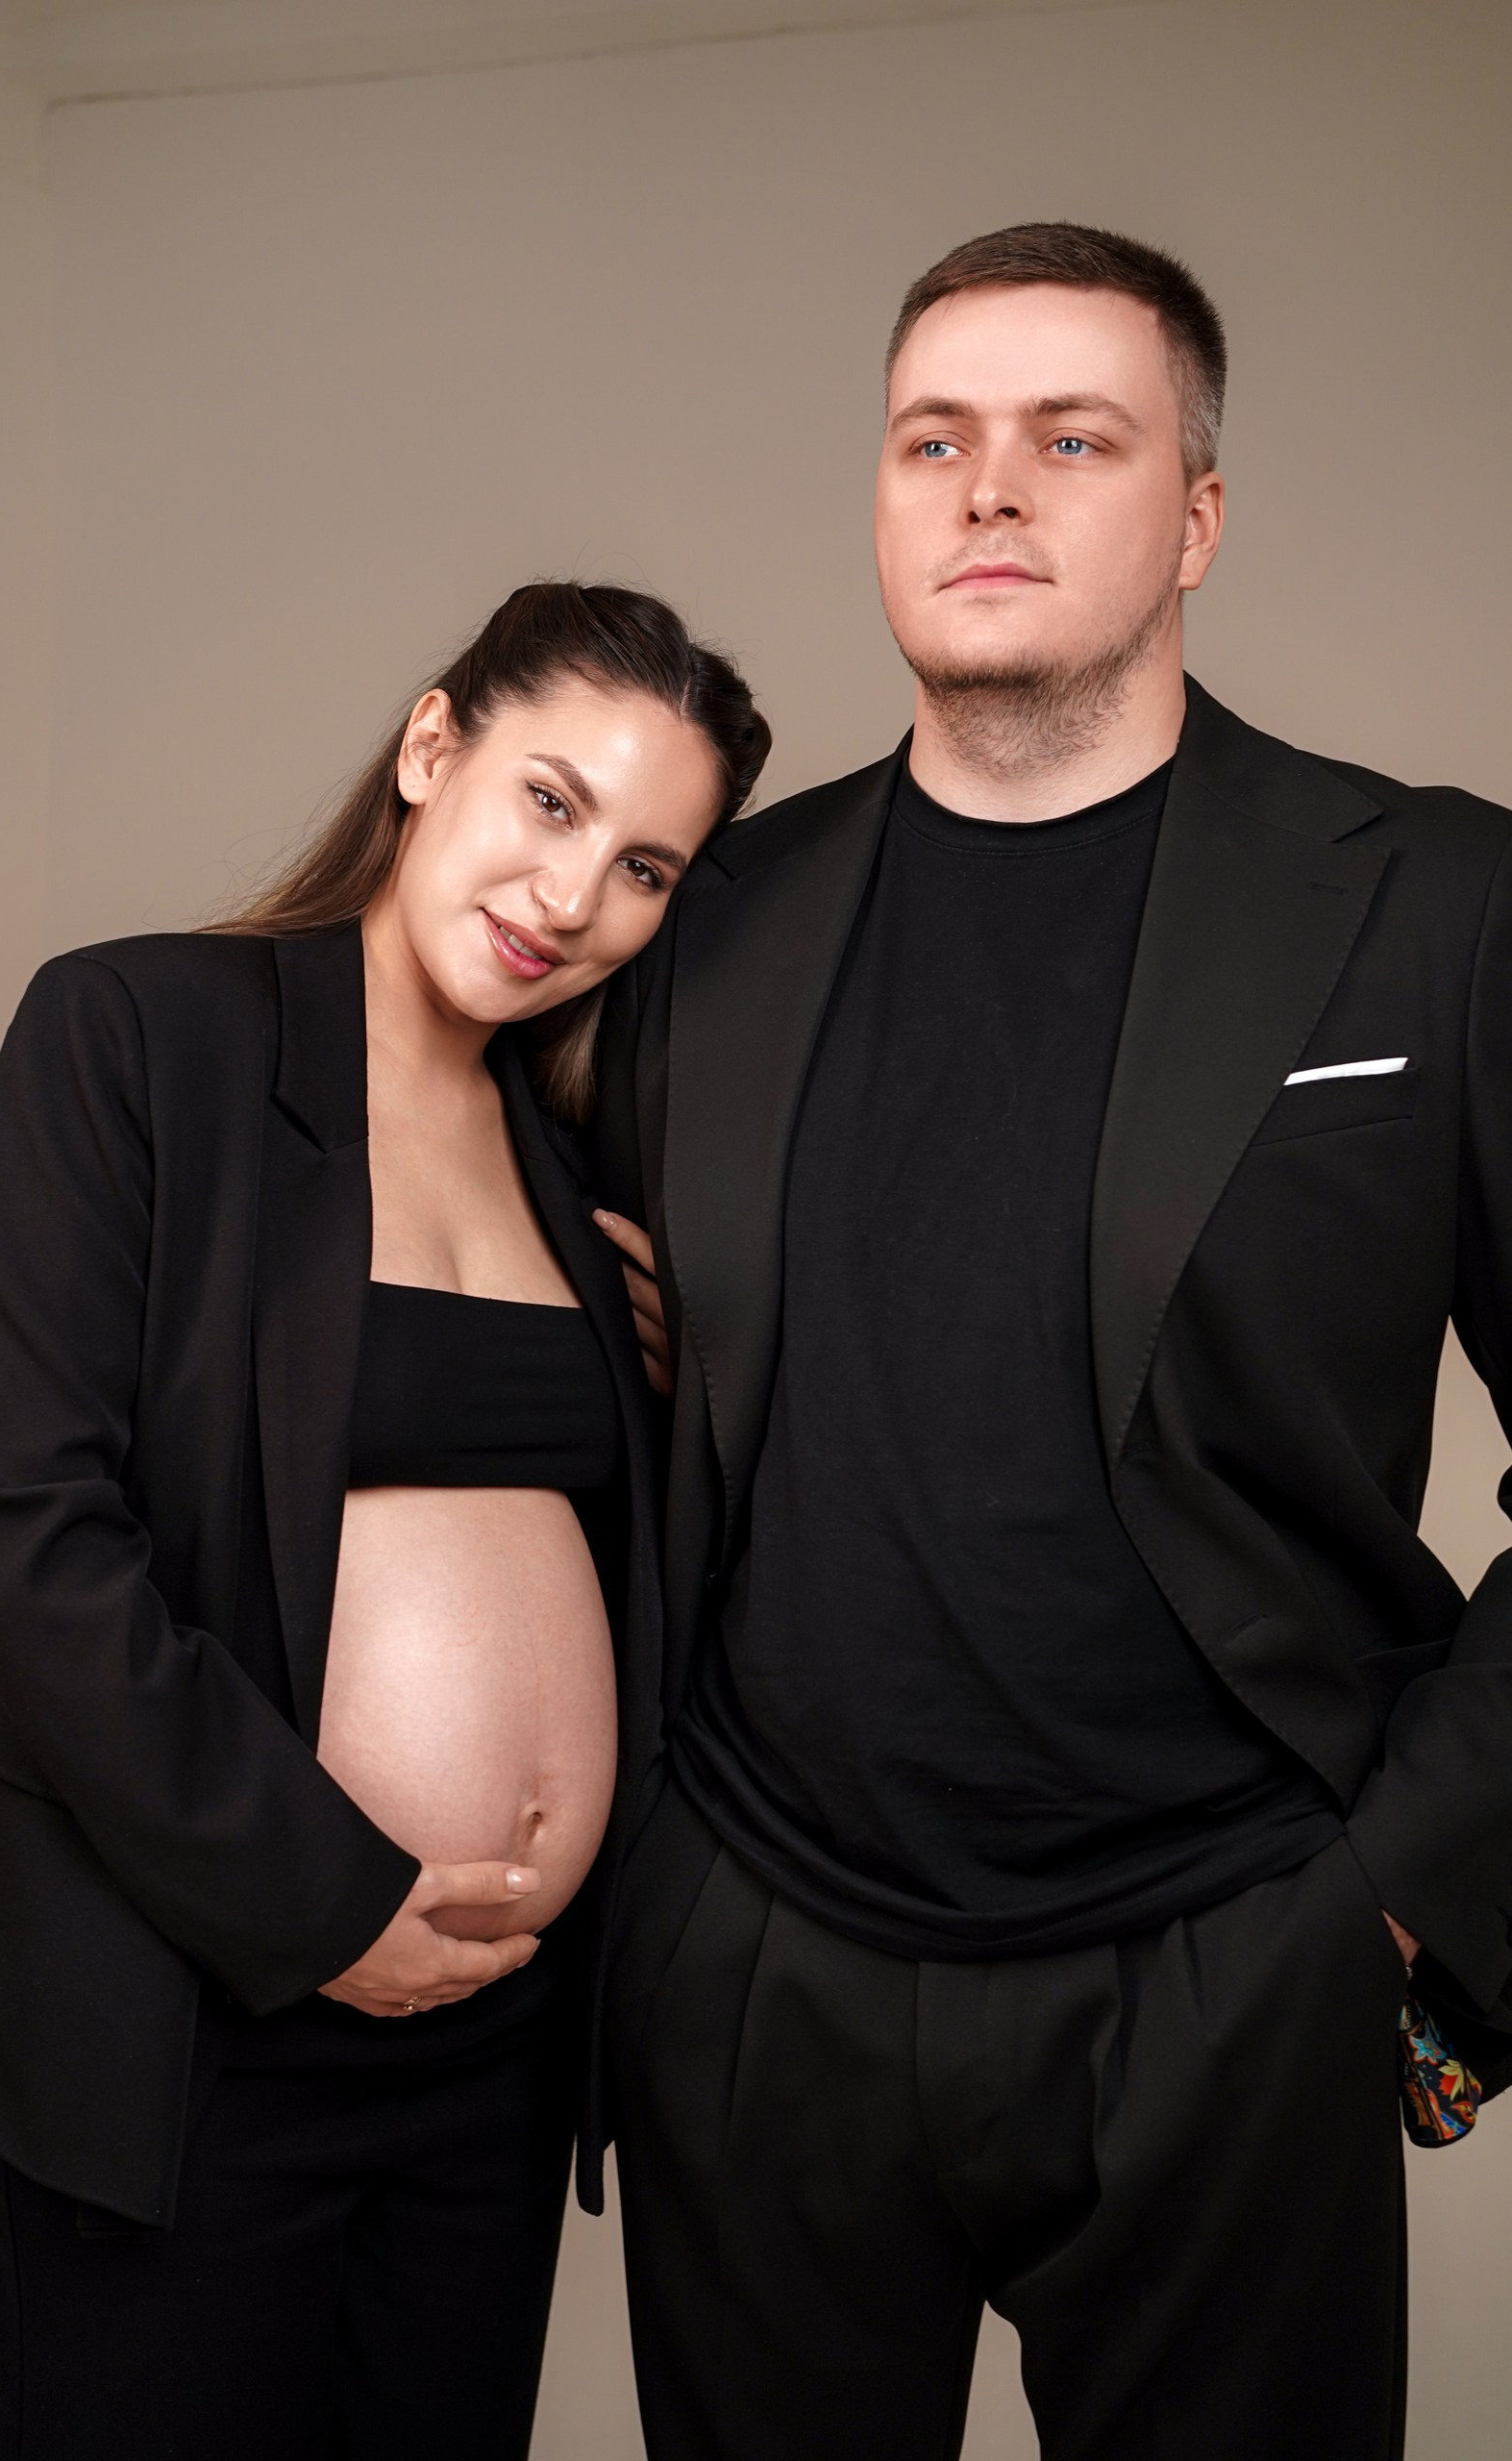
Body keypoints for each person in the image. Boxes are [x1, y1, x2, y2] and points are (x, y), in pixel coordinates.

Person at [592, 223, 1512, 2461]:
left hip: (1234, 1959)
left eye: (1068, 438)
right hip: (758, 1964)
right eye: (932, 440)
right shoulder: (705, 922)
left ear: (1193, 514)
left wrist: (1397, 1895)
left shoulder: (1434, 901)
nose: (986, 486)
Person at [0, 580, 769, 2461]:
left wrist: (685, 1383)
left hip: (489, 2065)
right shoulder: (139, 1036)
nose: (570, 896)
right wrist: (323, 1900)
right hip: (182, 2023)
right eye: (549, 800)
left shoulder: (580, 1164)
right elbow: (30, 1530)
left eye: (644, 868)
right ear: (433, 746)